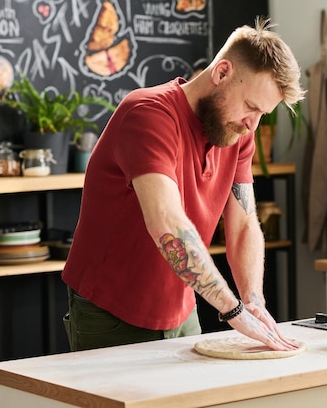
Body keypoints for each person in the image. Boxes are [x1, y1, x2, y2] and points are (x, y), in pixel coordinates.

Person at [62, 18, 305, 352]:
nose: (253, 125)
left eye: (263, 114)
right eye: (251, 106)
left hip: (182, 310)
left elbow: (245, 222)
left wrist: (253, 301)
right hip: (109, 313)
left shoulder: (236, 132)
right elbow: (168, 223)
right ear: (222, 73)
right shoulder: (147, 114)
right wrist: (231, 308)